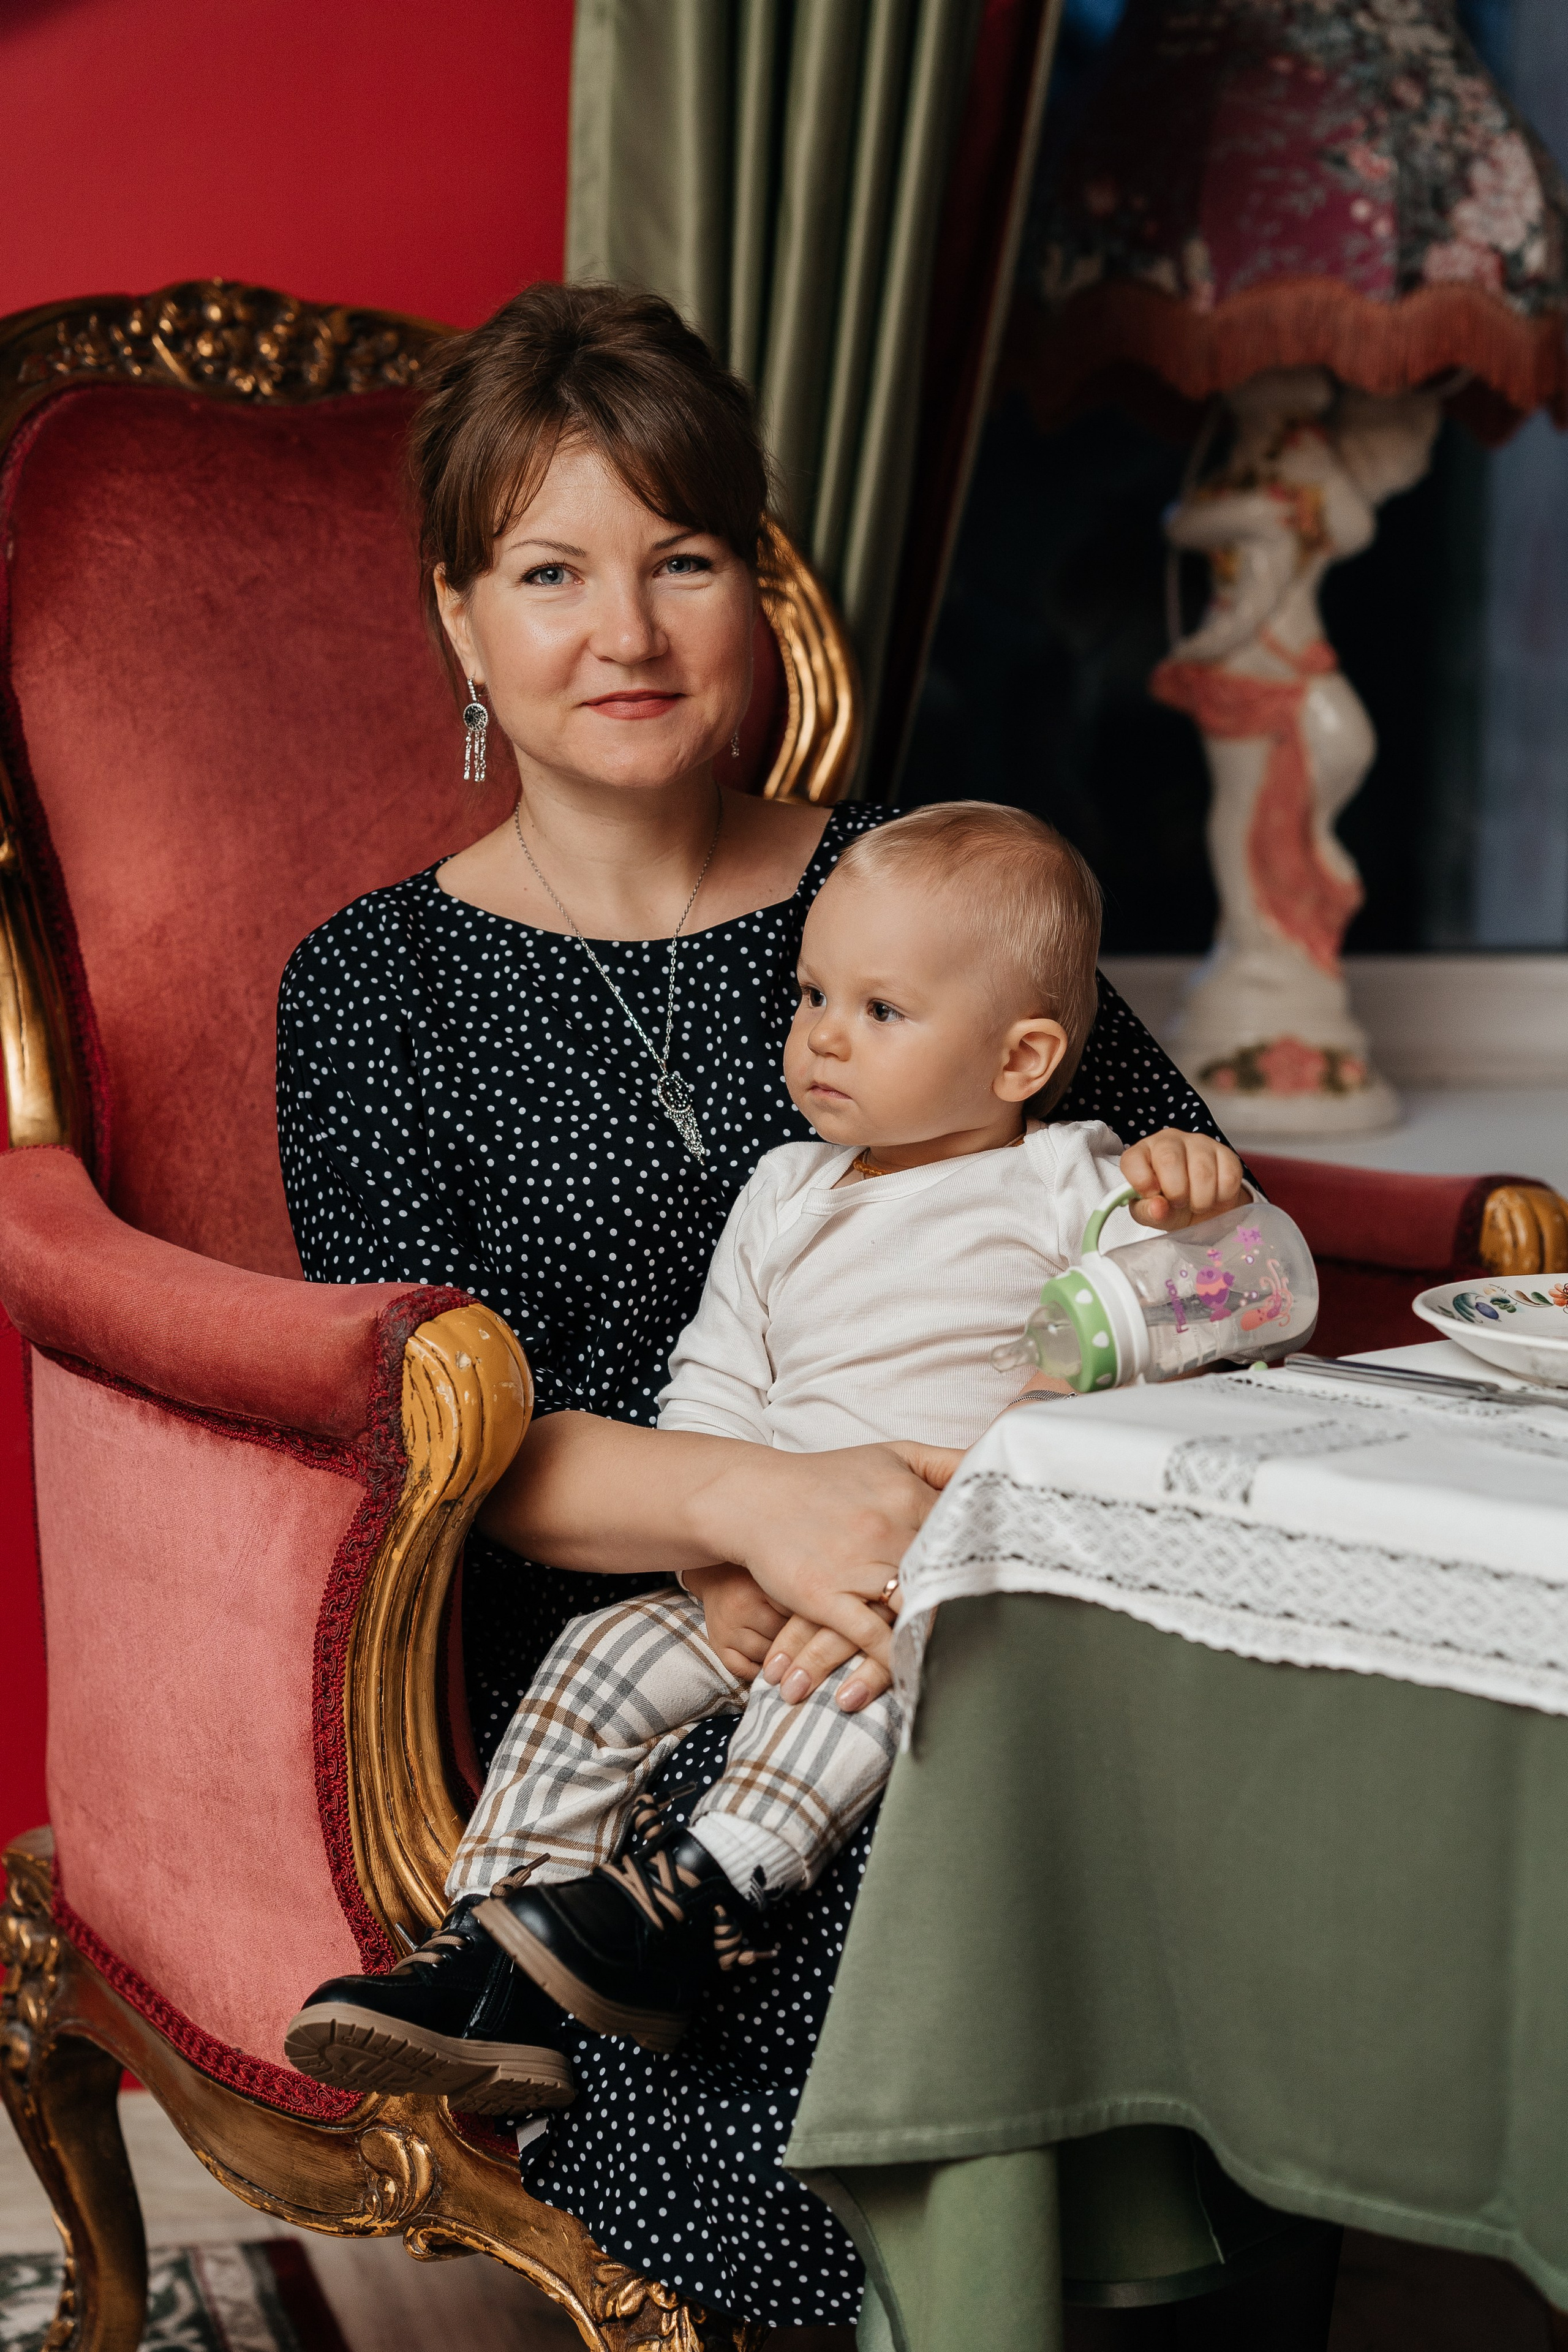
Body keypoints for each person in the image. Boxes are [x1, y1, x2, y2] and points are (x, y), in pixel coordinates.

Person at [274, 279, 1237, 2343]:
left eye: (681, 560)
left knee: (1116, 1840)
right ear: (462, 619)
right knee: (852, 1918)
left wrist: (1153, 1254)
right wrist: (770, 1513)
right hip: (633, 1640)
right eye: (551, 571)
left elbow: (1170, 1235)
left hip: (989, 1583)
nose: (624, 634)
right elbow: (431, 1436)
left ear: (760, 584)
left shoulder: (924, 890)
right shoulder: (369, 995)